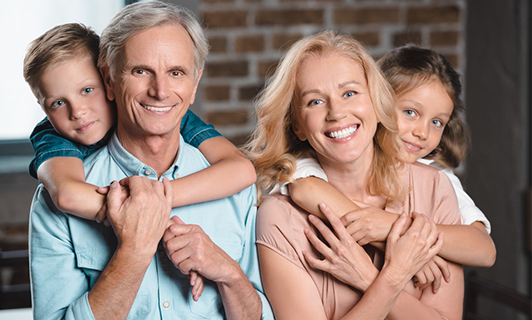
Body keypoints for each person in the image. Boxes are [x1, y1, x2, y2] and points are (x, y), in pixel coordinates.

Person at [28, 2, 273, 319]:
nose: (160, 91)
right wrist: (133, 253)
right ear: (110, 78)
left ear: (194, 83)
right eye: (141, 71)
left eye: (176, 73)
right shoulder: (56, 201)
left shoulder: (233, 187)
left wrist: (230, 276)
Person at [245, 30, 464, 319]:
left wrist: (366, 276)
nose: (336, 112)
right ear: (297, 126)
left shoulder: (434, 188)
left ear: (376, 100)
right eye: (314, 101)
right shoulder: (280, 217)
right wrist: (391, 277)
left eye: (349, 93)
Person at [282, 45, 496, 292]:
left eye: (437, 122)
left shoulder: (435, 175)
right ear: (377, 100)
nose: (422, 132)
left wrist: (397, 229)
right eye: (410, 112)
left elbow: (484, 250)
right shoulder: (345, 149)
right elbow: (304, 187)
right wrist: (395, 243)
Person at [23, 22, 256, 225]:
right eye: (57, 103)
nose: (78, 112)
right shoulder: (53, 135)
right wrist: (149, 218)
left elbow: (241, 169)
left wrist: (157, 197)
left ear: (109, 80)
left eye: (87, 90)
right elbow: (67, 194)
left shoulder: (159, 114)